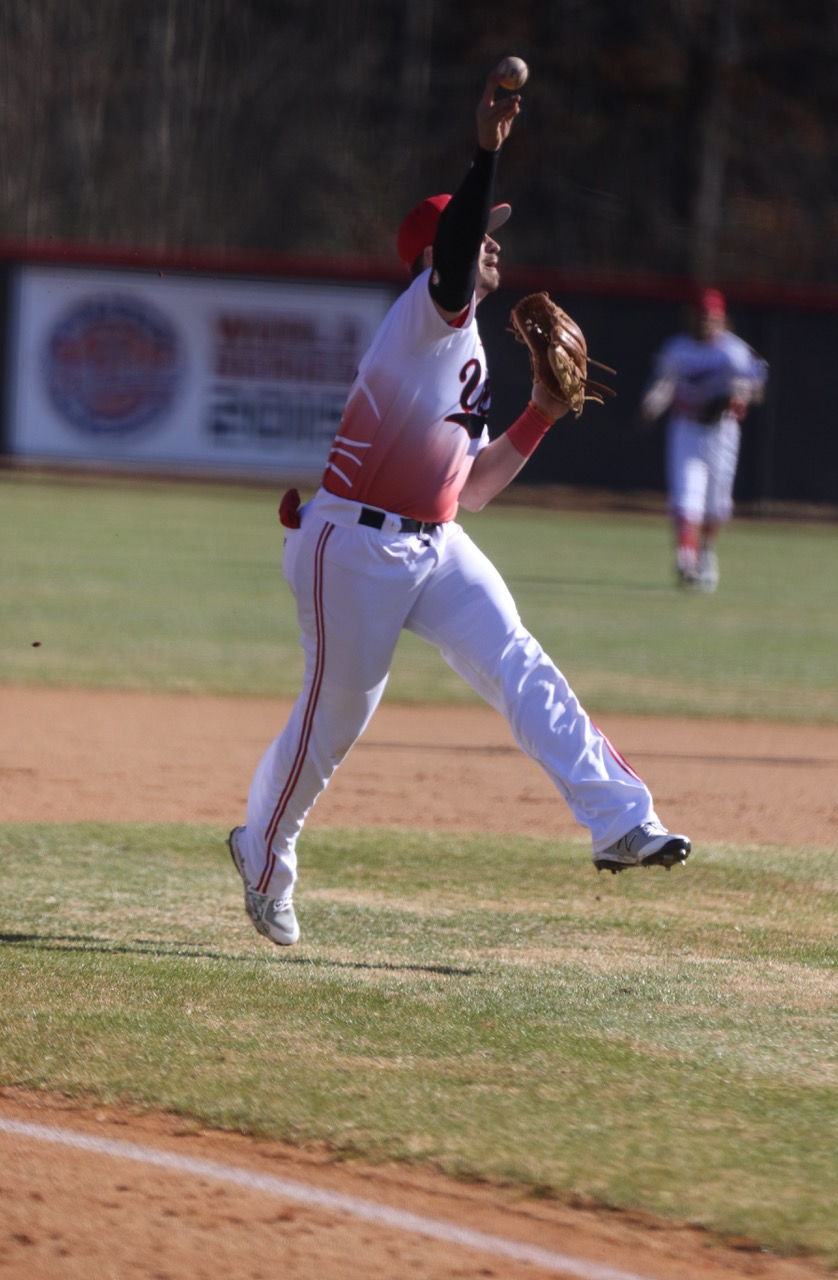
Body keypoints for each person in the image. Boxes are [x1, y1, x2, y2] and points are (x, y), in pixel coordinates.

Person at [227, 67, 691, 947]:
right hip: (350, 549)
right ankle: (261, 850)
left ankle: (620, 821)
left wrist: (542, 416)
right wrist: (484, 151)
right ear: (435, 254)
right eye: (478, 234)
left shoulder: (466, 341)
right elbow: (451, 260)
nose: (492, 246)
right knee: (332, 725)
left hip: (430, 543)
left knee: (519, 663)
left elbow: (468, 488)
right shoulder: (425, 314)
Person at [641, 288, 768, 592]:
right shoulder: (678, 348)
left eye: (712, 316)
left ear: (722, 318)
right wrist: (654, 402)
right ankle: (686, 557)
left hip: (722, 431)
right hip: (687, 427)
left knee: (717, 505)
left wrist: (741, 393)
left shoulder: (733, 351)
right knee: (688, 494)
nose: (707, 321)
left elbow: (758, 387)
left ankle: (706, 552)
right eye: (702, 316)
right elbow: (664, 384)